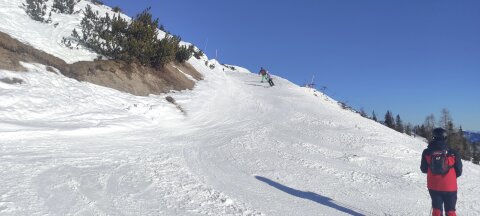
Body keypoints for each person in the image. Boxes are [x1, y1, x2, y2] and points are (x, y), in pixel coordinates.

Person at [420, 128, 462, 216]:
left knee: (437, 210)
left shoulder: (427, 152)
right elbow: (459, 171)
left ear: (433, 137)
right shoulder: (453, 152)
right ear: (445, 137)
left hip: (433, 185)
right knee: (450, 211)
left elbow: (423, 169)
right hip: (450, 186)